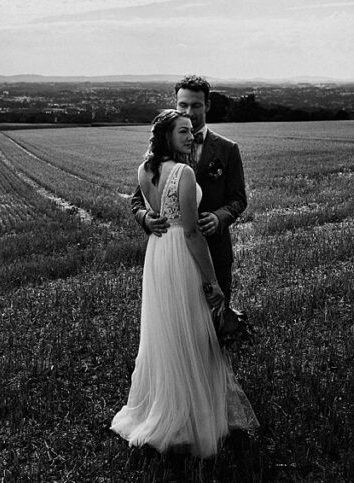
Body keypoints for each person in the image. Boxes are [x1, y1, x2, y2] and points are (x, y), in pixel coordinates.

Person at [111, 109, 258, 459]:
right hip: (181, 255)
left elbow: (150, 205)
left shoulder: (144, 171)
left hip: (158, 253)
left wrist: (150, 217)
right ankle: (192, 420)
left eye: (191, 131)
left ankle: (163, 408)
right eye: (182, 132)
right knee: (193, 333)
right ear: (166, 137)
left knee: (165, 332)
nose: (190, 136)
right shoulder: (184, 172)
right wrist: (212, 283)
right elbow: (192, 233)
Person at [131, 75, 247, 303]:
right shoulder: (159, 158)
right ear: (175, 105)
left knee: (216, 320)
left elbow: (239, 198)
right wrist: (146, 218)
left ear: (208, 106)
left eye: (196, 105)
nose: (189, 111)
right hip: (172, 254)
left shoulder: (227, 149)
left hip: (214, 252)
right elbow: (137, 200)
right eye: (183, 105)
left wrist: (219, 217)